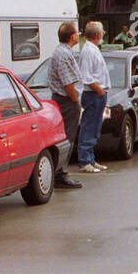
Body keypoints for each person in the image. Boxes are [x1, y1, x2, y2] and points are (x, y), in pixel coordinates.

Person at [48, 21, 84, 189]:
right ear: (72, 36)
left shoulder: (64, 52)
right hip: (66, 101)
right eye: (77, 33)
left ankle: (60, 172)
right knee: (67, 138)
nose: (78, 35)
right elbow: (68, 83)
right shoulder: (62, 54)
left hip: (67, 100)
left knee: (67, 137)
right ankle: (60, 174)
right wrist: (75, 101)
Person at [75, 21, 111, 174]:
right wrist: (99, 90)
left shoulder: (93, 49)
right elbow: (86, 76)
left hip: (98, 94)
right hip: (93, 94)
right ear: (98, 34)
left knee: (95, 128)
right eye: (102, 32)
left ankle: (90, 158)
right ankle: (84, 161)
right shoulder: (88, 51)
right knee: (89, 127)